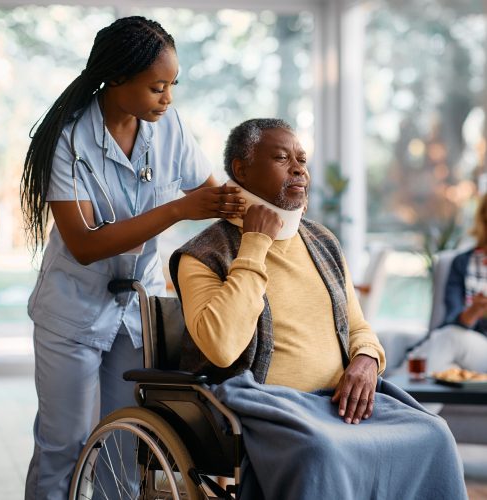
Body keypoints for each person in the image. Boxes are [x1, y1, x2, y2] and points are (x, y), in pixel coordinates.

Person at [169, 119, 467, 499]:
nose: (298, 169)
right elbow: (222, 347)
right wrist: (256, 242)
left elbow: (357, 325)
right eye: (281, 158)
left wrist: (366, 360)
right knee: (320, 452)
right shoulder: (203, 254)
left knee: (434, 434)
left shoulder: (323, 240)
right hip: (265, 402)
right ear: (241, 169)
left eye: (302, 159)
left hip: (337, 402)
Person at [20, 16, 245, 500]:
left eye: (173, 85)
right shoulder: (70, 139)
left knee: (126, 443)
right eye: (157, 87)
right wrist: (178, 210)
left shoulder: (169, 128)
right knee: (65, 445)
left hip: (136, 312)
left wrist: (264, 215)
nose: (168, 99)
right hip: (72, 312)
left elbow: (214, 197)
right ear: (117, 78)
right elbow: (84, 244)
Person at [409, 193, 487, 373]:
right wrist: (474, 311)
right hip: (470, 346)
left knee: (448, 341)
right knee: (449, 340)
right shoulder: (462, 263)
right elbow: (450, 320)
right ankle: (400, 392)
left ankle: (396, 393)